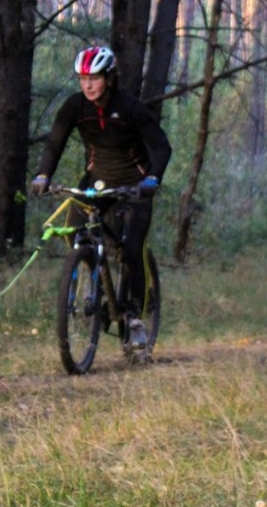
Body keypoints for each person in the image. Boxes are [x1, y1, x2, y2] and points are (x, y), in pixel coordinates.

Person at [29, 45, 172, 348]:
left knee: (132, 249)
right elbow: (54, 144)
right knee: (74, 231)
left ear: (109, 77)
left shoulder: (130, 108)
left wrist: (152, 179)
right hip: (95, 183)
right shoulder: (74, 108)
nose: (88, 85)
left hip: (134, 187)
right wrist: (43, 174)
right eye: (83, 79)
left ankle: (134, 318)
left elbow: (161, 147)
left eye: (94, 78)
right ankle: (95, 277)